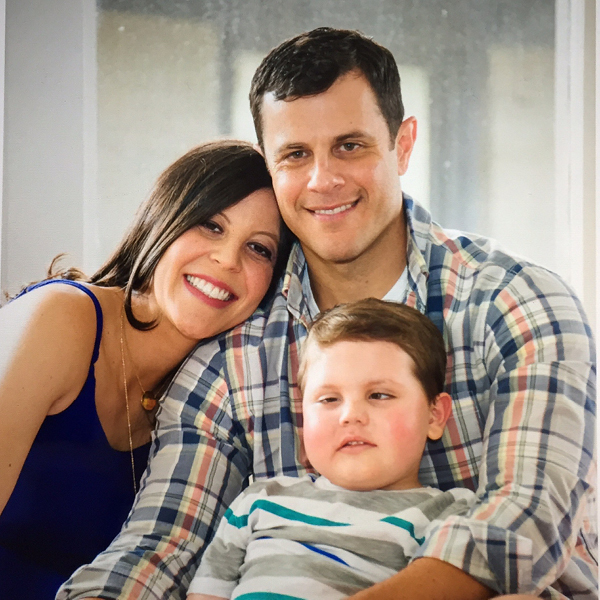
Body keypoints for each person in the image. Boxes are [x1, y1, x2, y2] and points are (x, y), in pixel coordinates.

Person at [59, 27, 596, 600]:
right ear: (271, 166)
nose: (323, 180)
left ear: (403, 144)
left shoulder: (515, 302)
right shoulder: (227, 361)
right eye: (295, 155)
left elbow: (527, 515)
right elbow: (163, 544)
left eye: (350, 145)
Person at [0, 140, 290, 600]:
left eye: (259, 249)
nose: (228, 260)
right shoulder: (58, 320)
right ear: (164, 219)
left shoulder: (214, 402)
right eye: (211, 226)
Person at [187, 298, 474, 600]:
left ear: (434, 416)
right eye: (329, 399)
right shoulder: (259, 500)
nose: (350, 414)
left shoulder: (452, 515)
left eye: (379, 395)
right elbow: (207, 594)